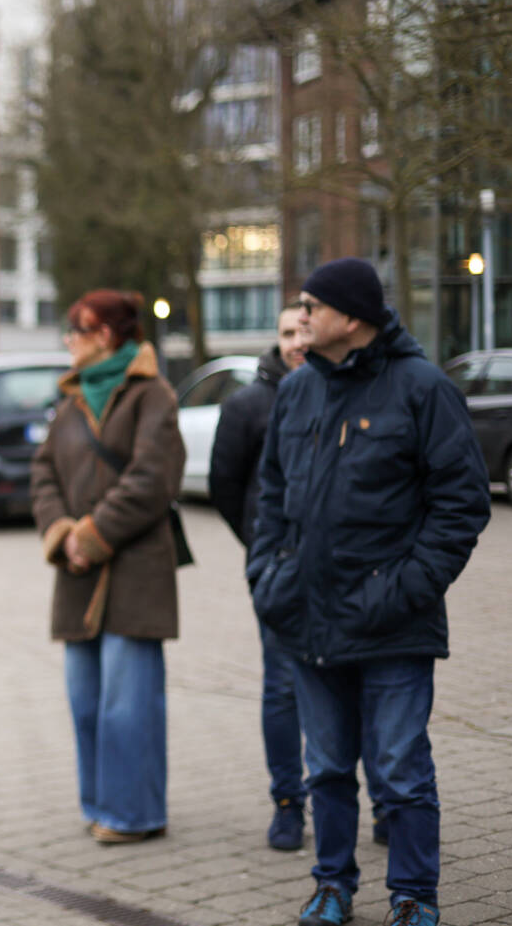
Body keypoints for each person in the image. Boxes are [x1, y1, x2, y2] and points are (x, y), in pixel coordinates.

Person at [248, 258, 490, 926]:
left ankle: (414, 894)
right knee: (324, 767)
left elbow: (461, 505)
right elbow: (269, 496)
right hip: (309, 621)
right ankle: (332, 885)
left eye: (310, 305)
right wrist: (269, 575)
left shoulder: (422, 389)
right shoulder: (298, 393)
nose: (300, 318)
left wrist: (401, 590)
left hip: (392, 626)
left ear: (351, 317)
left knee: (400, 769)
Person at [31, 289, 185, 845]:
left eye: (78, 329)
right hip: (77, 572)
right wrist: (61, 533)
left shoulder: (153, 395)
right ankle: (100, 805)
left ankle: (134, 813)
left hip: (136, 568)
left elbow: (153, 478)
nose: (69, 340)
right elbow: (43, 472)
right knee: (86, 701)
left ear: (106, 336)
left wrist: (93, 535)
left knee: (129, 705)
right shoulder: (71, 401)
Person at [209, 305, 311, 851]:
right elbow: (227, 487)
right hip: (276, 570)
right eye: (288, 332)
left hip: (341, 571)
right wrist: (261, 549)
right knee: (283, 686)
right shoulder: (248, 404)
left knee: (351, 685)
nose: (297, 341)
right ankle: (288, 802)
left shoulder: (342, 396)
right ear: (276, 339)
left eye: (305, 331)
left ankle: (383, 803)